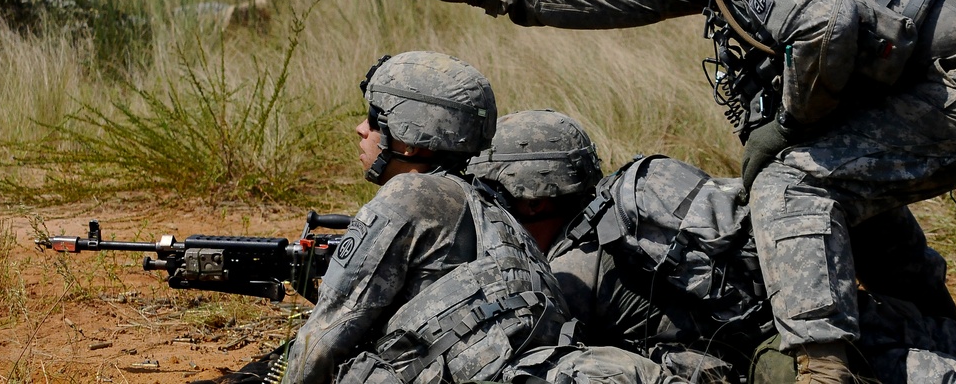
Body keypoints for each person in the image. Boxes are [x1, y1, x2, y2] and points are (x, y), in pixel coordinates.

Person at [387, 0, 956, 382]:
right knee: (854, 195)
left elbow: (824, 21)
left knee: (793, 182)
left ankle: (823, 371)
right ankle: (942, 331)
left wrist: (790, 124)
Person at [468, 109, 956, 383]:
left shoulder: (572, 273)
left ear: (533, 201)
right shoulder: (644, 193)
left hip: (815, 362)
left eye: (497, 195)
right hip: (844, 311)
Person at [281, 51, 684, 384]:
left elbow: (325, 337)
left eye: (375, 119)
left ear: (409, 134)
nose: (360, 129)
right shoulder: (506, 224)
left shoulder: (411, 193)